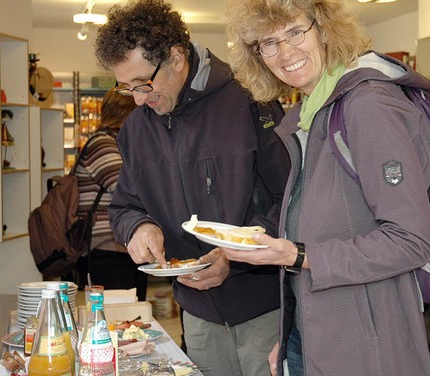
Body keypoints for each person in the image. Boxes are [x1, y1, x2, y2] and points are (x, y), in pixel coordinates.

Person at [225, 0, 430, 374]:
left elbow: (409, 241)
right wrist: (293, 334)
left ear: (322, 29)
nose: (285, 52)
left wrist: (298, 255)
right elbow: (324, 228)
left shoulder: (368, 106)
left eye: (294, 32)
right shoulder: (311, 113)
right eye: (268, 42)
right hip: (324, 333)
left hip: (369, 347)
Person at [95, 0, 291, 374]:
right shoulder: (137, 130)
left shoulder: (250, 101)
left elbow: (291, 199)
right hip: (197, 314)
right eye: (126, 87)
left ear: (175, 58)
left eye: (143, 83)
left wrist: (231, 257)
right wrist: (139, 227)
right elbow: (124, 207)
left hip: (264, 307)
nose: (138, 99)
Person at [73, 90, 149, 303]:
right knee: (121, 316)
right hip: (108, 248)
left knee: (131, 314)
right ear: (127, 114)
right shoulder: (102, 144)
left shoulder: (116, 144)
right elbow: (128, 190)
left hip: (120, 247)